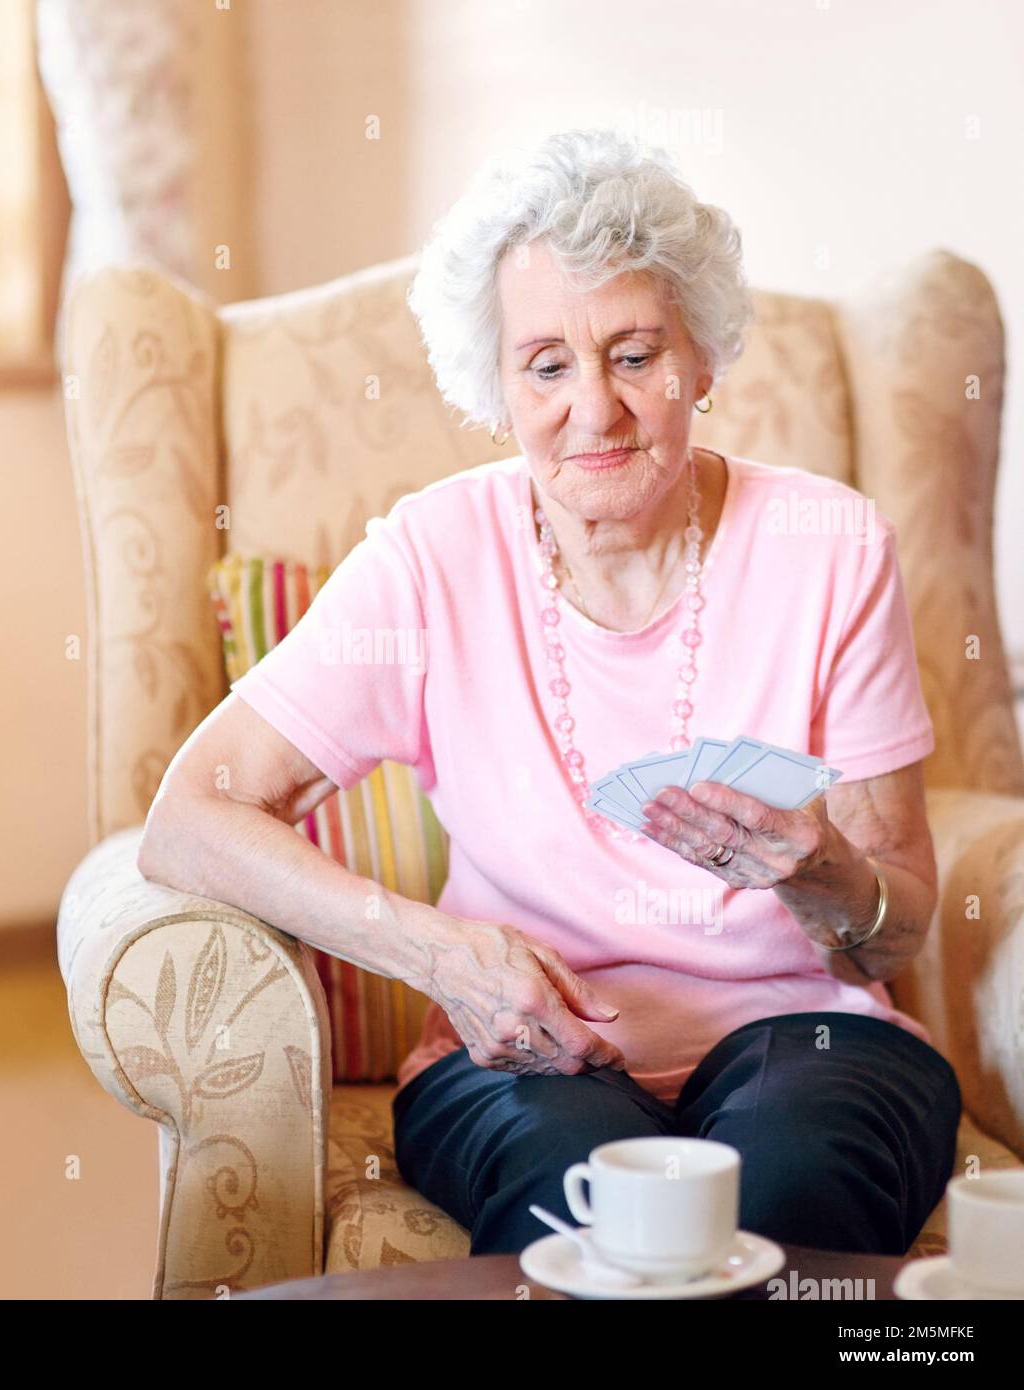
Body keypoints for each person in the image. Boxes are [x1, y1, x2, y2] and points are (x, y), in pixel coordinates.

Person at [137, 128, 960, 1258]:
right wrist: (436, 953)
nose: (596, 410)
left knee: (789, 1187)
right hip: (526, 1044)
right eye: (547, 365)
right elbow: (190, 815)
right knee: (589, 1215)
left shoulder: (829, 546)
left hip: (804, 1037)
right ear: (495, 385)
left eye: (634, 355)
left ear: (703, 361)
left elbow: (893, 930)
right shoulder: (431, 558)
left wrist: (823, 871)